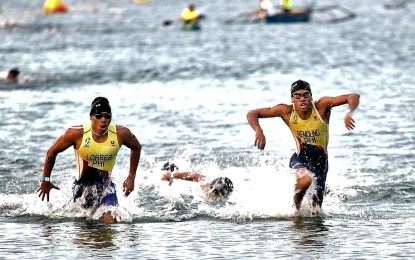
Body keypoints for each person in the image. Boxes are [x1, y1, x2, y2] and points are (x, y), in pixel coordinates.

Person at [247, 80, 360, 211]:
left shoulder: (321, 106)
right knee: (305, 180)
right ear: (292, 99)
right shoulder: (286, 111)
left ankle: (302, 218)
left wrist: (349, 112)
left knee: (316, 211)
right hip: (300, 158)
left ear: (311, 97)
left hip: (321, 163)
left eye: (306, 95)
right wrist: (258, 130)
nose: (302, 99)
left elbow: (353, 96)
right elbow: (252, 113)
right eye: (297, 96)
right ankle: (295, 208)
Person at [37, 97, 142, 223]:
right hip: (82, 189)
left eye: (107, 116)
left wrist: (131, 177)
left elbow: (136, 147)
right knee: (86, 229)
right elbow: (52, 152)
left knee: (111, 220)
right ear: (91, 117)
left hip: (106, 187)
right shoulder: (76, 133)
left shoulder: (121, 133)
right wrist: (45, 180)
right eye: (99, 116)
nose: (103, 120)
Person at [160, 162, 234, 202]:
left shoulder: (223, 197)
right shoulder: (205, 183)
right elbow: (193, 176)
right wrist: (173, 176)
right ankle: (170, 169)